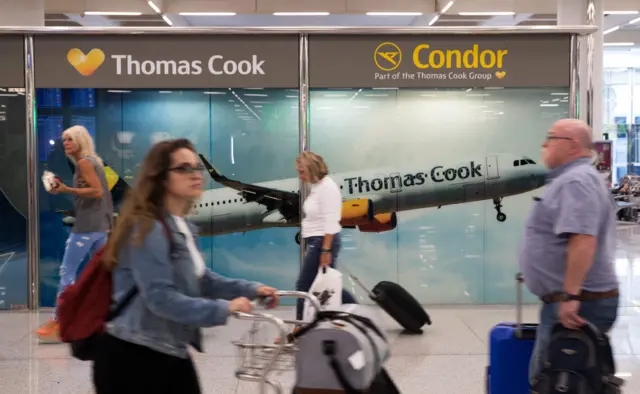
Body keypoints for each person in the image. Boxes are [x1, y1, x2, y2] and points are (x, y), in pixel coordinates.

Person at [92, 138, 279, 394]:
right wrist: (224, 308)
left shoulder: (183, 226)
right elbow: (160, 298)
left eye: (196, 167)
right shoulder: (149, 228)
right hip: (132, 357)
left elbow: (202, 280)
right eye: (183, 168)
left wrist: (251, 289)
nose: (195, 174)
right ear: (161, 178)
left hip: (170, 350)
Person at [519, 119, 619, 385]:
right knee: (571, 380)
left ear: (573, 146)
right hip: (577, 299)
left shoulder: (576, 181)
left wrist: (570, 295)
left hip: (579, 302)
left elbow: (583, 240)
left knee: (558, 382)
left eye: (551, 137)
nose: (544, 144)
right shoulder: (575, 179)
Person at [37, 125, 114, 343]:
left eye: (70, 139)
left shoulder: (84, 163)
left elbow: (97, 191)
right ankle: (104, 317)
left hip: (87, 228)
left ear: (80, 140)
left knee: (67, 272)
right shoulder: (93, 161)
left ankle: (61, 319)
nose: (66, 143)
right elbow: (99, 194)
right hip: (101, 226)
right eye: (64, 139)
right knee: (102, 274)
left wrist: (66, 191)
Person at [294, 152, 357, 322]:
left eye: (302, 172)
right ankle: (357, 313)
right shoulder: (317, 186)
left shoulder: (327, 188)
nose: (300, 176)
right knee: (328, 285)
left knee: (304, 286)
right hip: (316, 240)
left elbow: (332, 220)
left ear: (312, 169)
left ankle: (299, 328)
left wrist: (325, 249)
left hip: (322, 241)